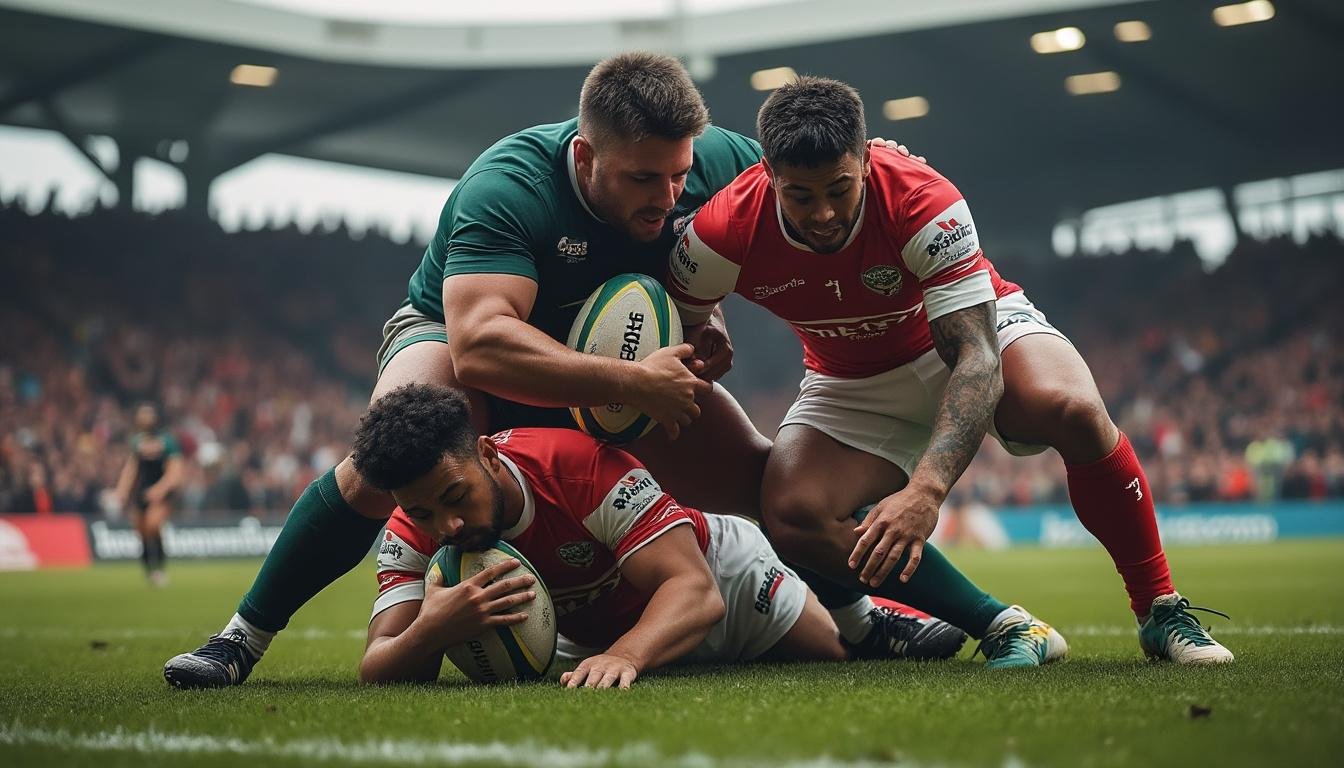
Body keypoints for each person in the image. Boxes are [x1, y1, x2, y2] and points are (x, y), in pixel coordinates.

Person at [163, 52, 926, 688]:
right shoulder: (510, 184)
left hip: (612, 352)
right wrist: (631, 381)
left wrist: (703, 318)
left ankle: (861, 621)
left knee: (766, 482)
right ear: (587, 157)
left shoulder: (714, 161)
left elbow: (819, 169)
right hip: (468, 334)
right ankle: (240, 641)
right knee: (377, 465)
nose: (668, 198)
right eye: (642, 180)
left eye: (677, 176)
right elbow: (480, 344)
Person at [667, 76, 1233, 664]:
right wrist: (710, 328)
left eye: (839, 188)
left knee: (1073, 410)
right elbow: (680, 317)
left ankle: (1161, 611)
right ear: (769, 178)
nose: (824, 213)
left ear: (865, 159)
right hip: (850, 381)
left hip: (970, 338)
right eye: (801, 197)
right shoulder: (721, 231)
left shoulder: (921, 197)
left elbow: (978, 358)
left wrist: (927, 490)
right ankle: (1008, 627)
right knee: (791, 514)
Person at [352, 385, 980, 688]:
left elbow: (695, 591)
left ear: (488, 453)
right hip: (590, 636)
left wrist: (627, 656)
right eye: (425, 513)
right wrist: (434, 627)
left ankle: (873, 618)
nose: (448, 527)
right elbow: (376, 666)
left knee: (841, 659)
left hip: (721, 578)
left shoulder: (579, 468)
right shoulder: (413, 522)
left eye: (455, 498)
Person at [114, 403, 184, 587]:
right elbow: (131, 468)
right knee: (141, 530)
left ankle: (159, 569)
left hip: (161, 493)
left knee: (153, 525)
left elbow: (175, 471)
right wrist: (122, 489)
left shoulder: (167, 442)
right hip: (142, 491)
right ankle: (148, 571)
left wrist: (160, 490)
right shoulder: (137, 442)